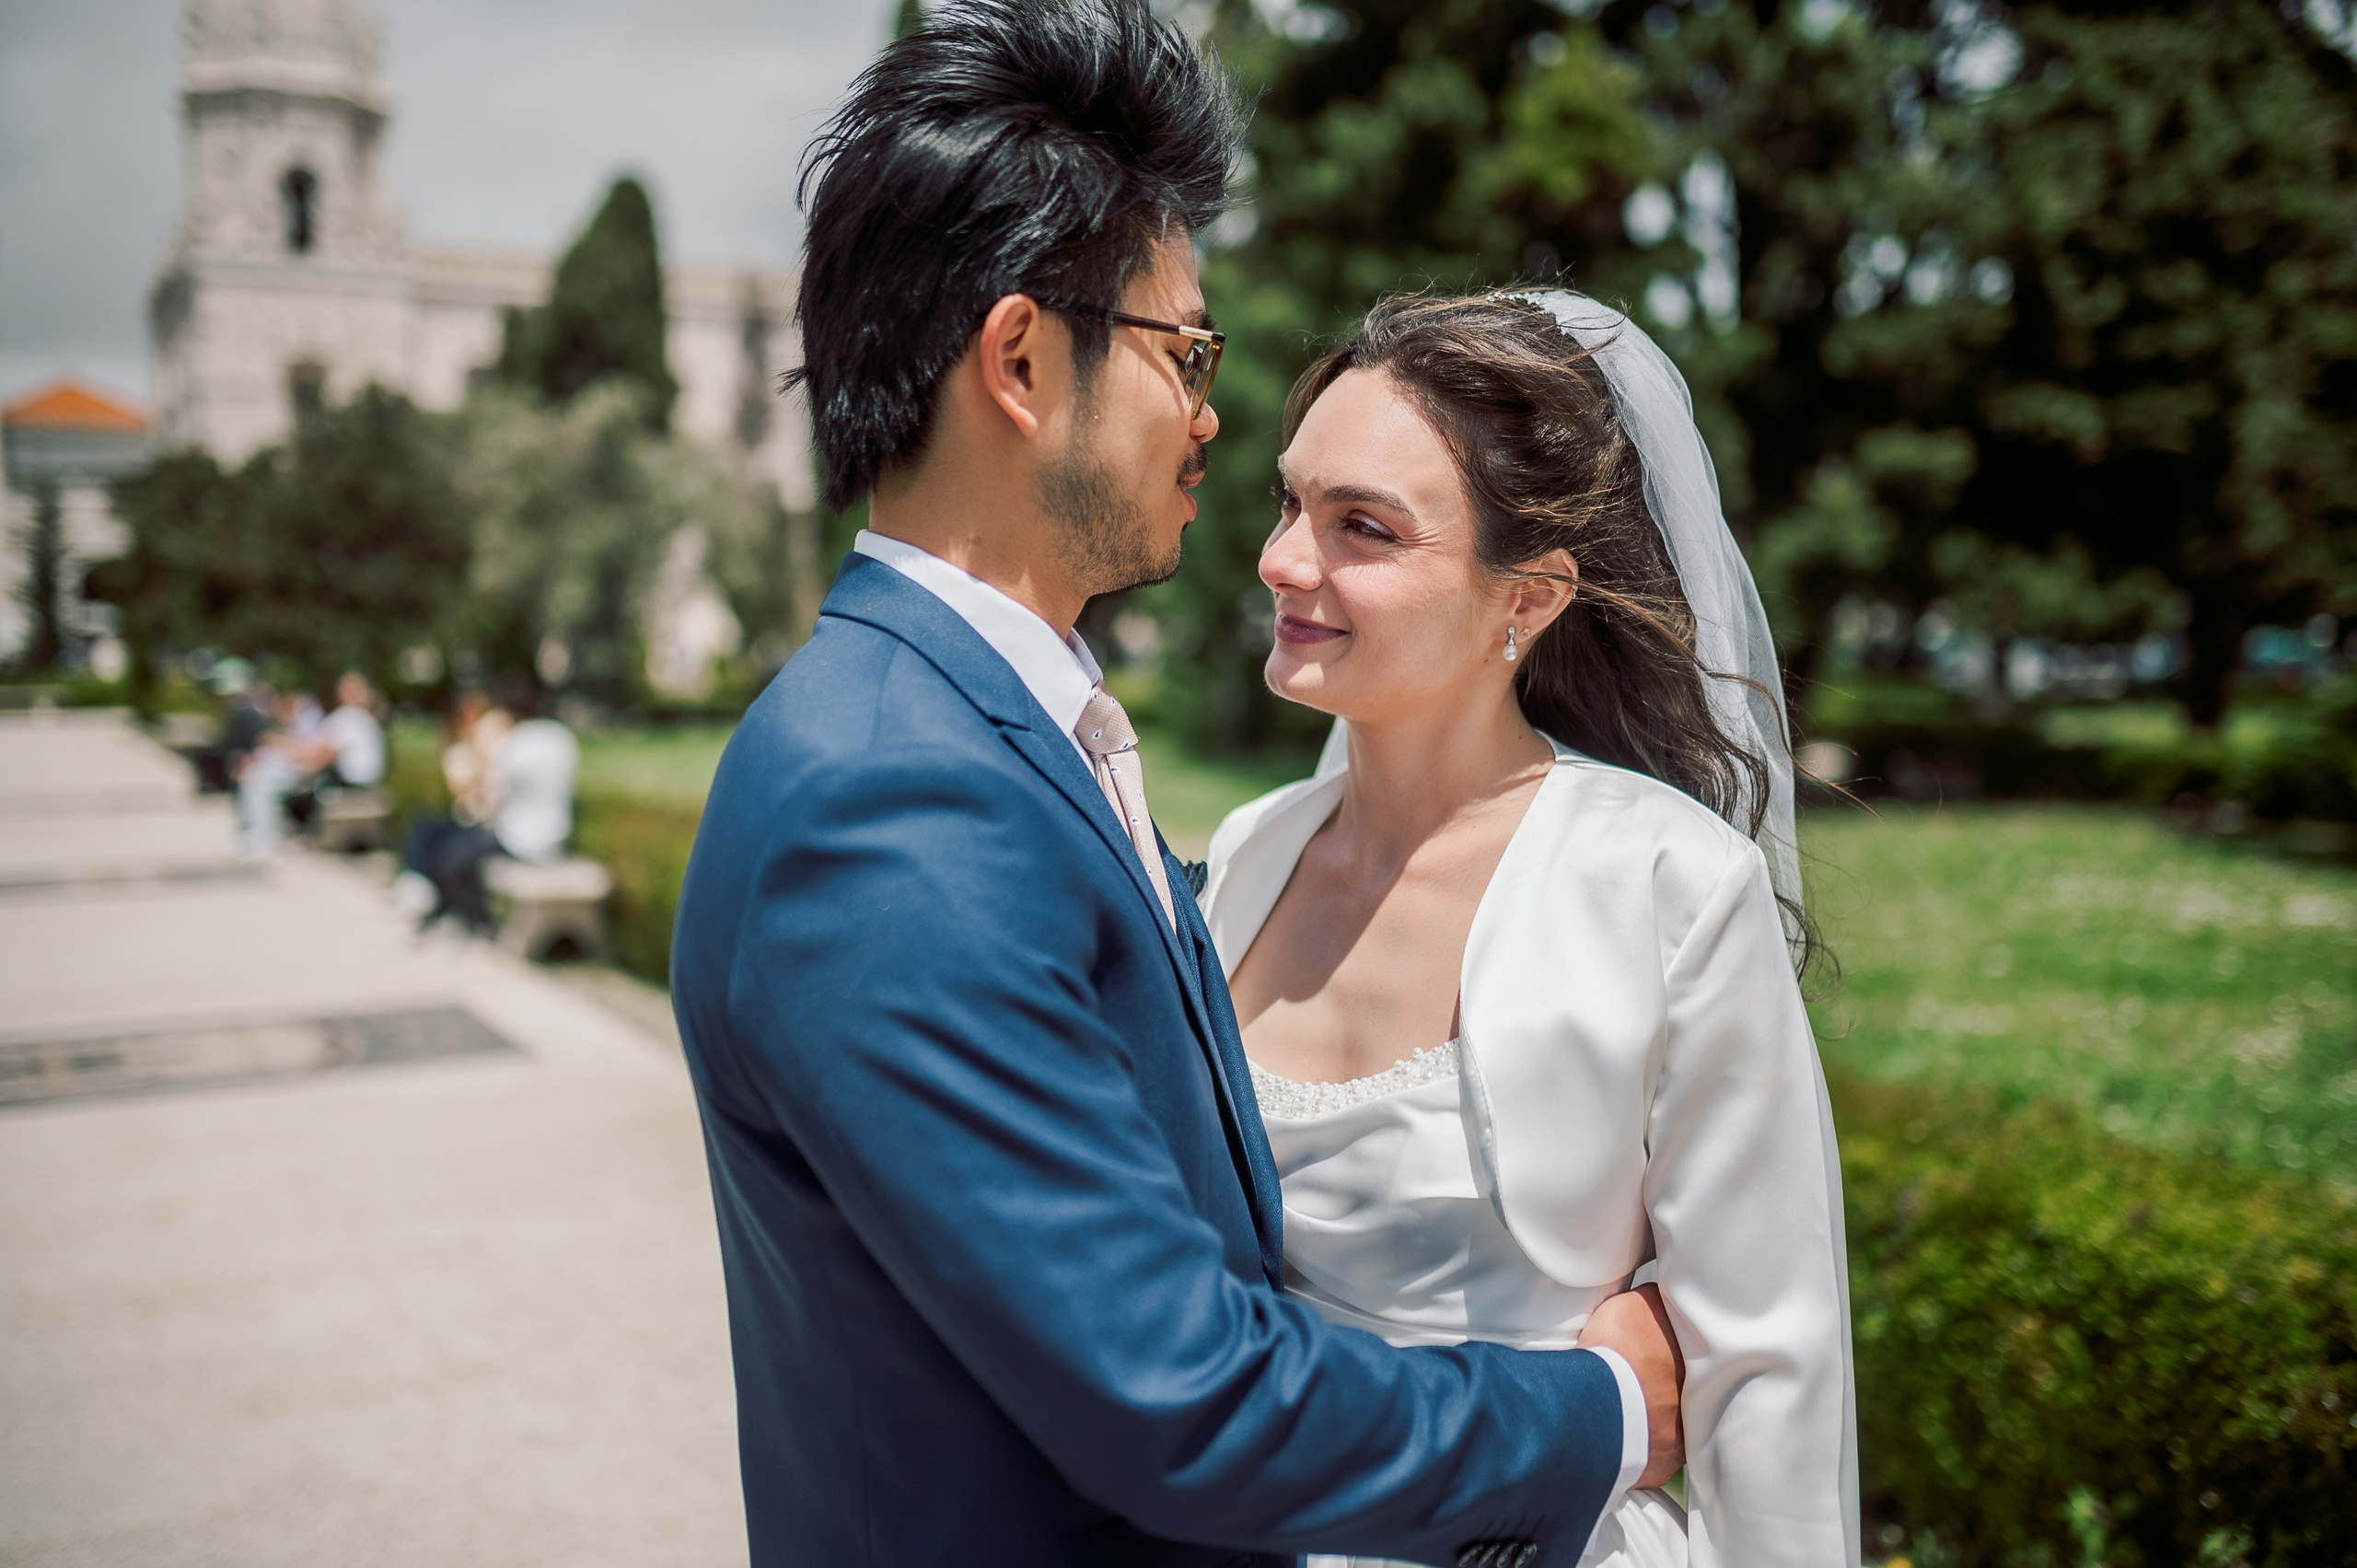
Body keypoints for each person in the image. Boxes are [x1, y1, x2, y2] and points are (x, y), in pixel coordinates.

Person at [668, 6, 1682, 1566]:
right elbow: (1183, 1395)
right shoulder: (885, 803)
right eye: (1182, 351)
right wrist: (1600, 1407)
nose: (1211, 413)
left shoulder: (982, 728)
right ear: (1021, 359)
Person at [1202, 290, 1856, 1567]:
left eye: (1363, 527)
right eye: (1292, 503)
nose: (1286, 559)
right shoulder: (1244, 854)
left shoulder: (1667, 884)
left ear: (1532, 594)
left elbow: (1770, 1372)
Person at [394, 689, 576, 935]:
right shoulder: (561, 738)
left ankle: (476, 922)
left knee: (451, 860)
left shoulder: (515, 747)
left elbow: (494, 800)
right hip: (557, 836)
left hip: (522, 840)